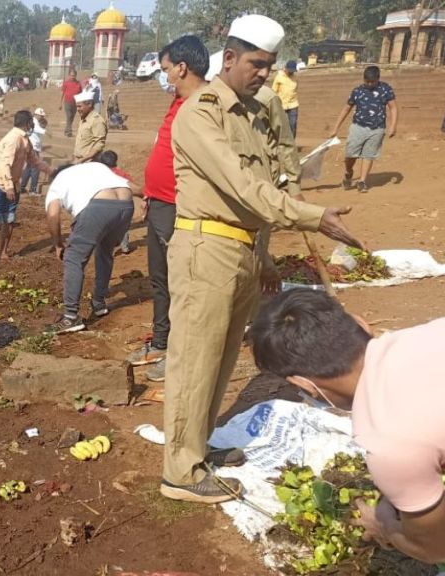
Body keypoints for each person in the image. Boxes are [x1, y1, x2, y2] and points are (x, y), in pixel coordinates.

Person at [162, 14, 363, 504]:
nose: (263, 74)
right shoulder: (200, 114)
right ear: (228, 58)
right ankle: (180, 474)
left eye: (269, 66)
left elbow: (268, 183)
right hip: (205, 249)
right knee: (194, 362)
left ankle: (198, 447)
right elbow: (244, 187)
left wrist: (266, 255)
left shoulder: (251, 115)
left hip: (242, 249)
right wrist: (312, 217)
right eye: (256, 64)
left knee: (222, 357)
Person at [248, 289, 445, 565]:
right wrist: (421, 507)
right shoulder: (437, 332)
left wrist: (385, 526)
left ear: (303, 384)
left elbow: (437, 551)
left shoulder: (389, 439)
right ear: (361, 324)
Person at [125, 36, 211, 382]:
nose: (164, 77)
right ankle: (160, 341)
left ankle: (179, 354)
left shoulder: (205, 105)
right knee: (160, 280)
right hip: (159, 203)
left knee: (182, 286)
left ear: (182, 68)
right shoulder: (179, 100)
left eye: (165, 70)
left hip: (180, 208)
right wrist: (149, 193)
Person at [43, 162, 145, 334]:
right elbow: (129, 186)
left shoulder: (57, 183)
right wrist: (148, 196)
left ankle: (70, 317)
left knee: (73, 258)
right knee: (105, 252)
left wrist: (58, 244)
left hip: (99, 206)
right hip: (126, 204)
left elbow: (53, 215)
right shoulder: (95, 166)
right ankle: (99, 303)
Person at [0, 110, 53, 268]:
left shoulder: (25, 140)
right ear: (28, 123)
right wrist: (8, 188)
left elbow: (35, 161)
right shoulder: (13, 139)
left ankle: (4, 251)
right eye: (31, 122)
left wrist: (51, 170)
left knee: (9, 219)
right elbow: (5, 165)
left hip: (11, 183)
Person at [329, 66, 398, 193]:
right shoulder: (357, 91)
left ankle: (362, 181)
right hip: (358, 127)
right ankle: (349, 172)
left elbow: (393, 107)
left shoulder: (385, 89)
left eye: (373, 82)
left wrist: (393, 126)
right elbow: (346, 109)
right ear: (363, 79)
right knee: (350, 154)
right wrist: (335, 128)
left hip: (377, 129)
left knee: (368, 155)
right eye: (367, 82)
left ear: (378, 79)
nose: (370, 84)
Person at [97, 150, 137, 255]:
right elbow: (132, 187)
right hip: (122, 205)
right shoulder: (123, 174)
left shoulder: (99, 175)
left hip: (105, 205)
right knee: (123, 226)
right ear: (116, 161)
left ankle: (105, 247)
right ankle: (125, 247)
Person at [73, 91, 108, 163]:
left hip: (89, 163)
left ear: (89, 104)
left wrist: (82, 160)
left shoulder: (97, 121)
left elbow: (98, 144)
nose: (78, 109)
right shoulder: (83, 118)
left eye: (80, 106)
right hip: (79, 161)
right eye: (77, 106)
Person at [20, 107, 48, 196]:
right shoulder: (33, 122)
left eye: (42, 116)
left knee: (28, 168)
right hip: (33, 148)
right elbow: (39, 130)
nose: (42, 117)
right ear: (36, 114)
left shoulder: (35, 122)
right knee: (35, 169)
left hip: (32, 148)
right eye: (41, 116)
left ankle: (22, 187)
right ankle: (33, 190)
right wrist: (47, 131)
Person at [271, 60, 300, 138]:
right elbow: (273, 91)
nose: (291, 72)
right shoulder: (279, 77)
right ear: (285, 69)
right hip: (281, 104)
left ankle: (292, 143)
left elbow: (296, 89)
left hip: (293, 104)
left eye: (292, 71)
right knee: (280, 124)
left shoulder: (295, 78)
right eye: (289, 70)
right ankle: (280, 142)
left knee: (293, 124)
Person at [59, 69, 82, 136]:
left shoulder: (78, 83)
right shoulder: (66, 83)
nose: (73, 77)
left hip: (75, 103)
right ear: (69, 75)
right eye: (71, 75)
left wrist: (80, 103)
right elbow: (62, 93)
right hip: (67, 102)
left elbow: (80, 94)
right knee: (69, 116)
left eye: (74, 75)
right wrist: (60, 103)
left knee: (72, 117)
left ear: (76, 76)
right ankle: (69, 131)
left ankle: (66, 130)